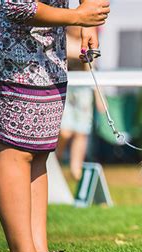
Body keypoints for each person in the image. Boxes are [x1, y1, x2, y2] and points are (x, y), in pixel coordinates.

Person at [0, 0, 110, 252]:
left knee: (39, 150)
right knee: (17, 149)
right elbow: (19, 7)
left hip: (47, 44)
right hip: (6, 42)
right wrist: (78, 16)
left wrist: (89, 19)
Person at [56, 26, 104, 181]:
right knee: (65, 131)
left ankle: (75, 170)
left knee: (81, 132)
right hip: (64, 88)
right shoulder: (62, 37)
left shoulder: (88, 39)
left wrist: (99, 97)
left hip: (83, 90)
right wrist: (85, 51)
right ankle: (55, 163)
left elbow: (91, 68)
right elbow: (73, 51)